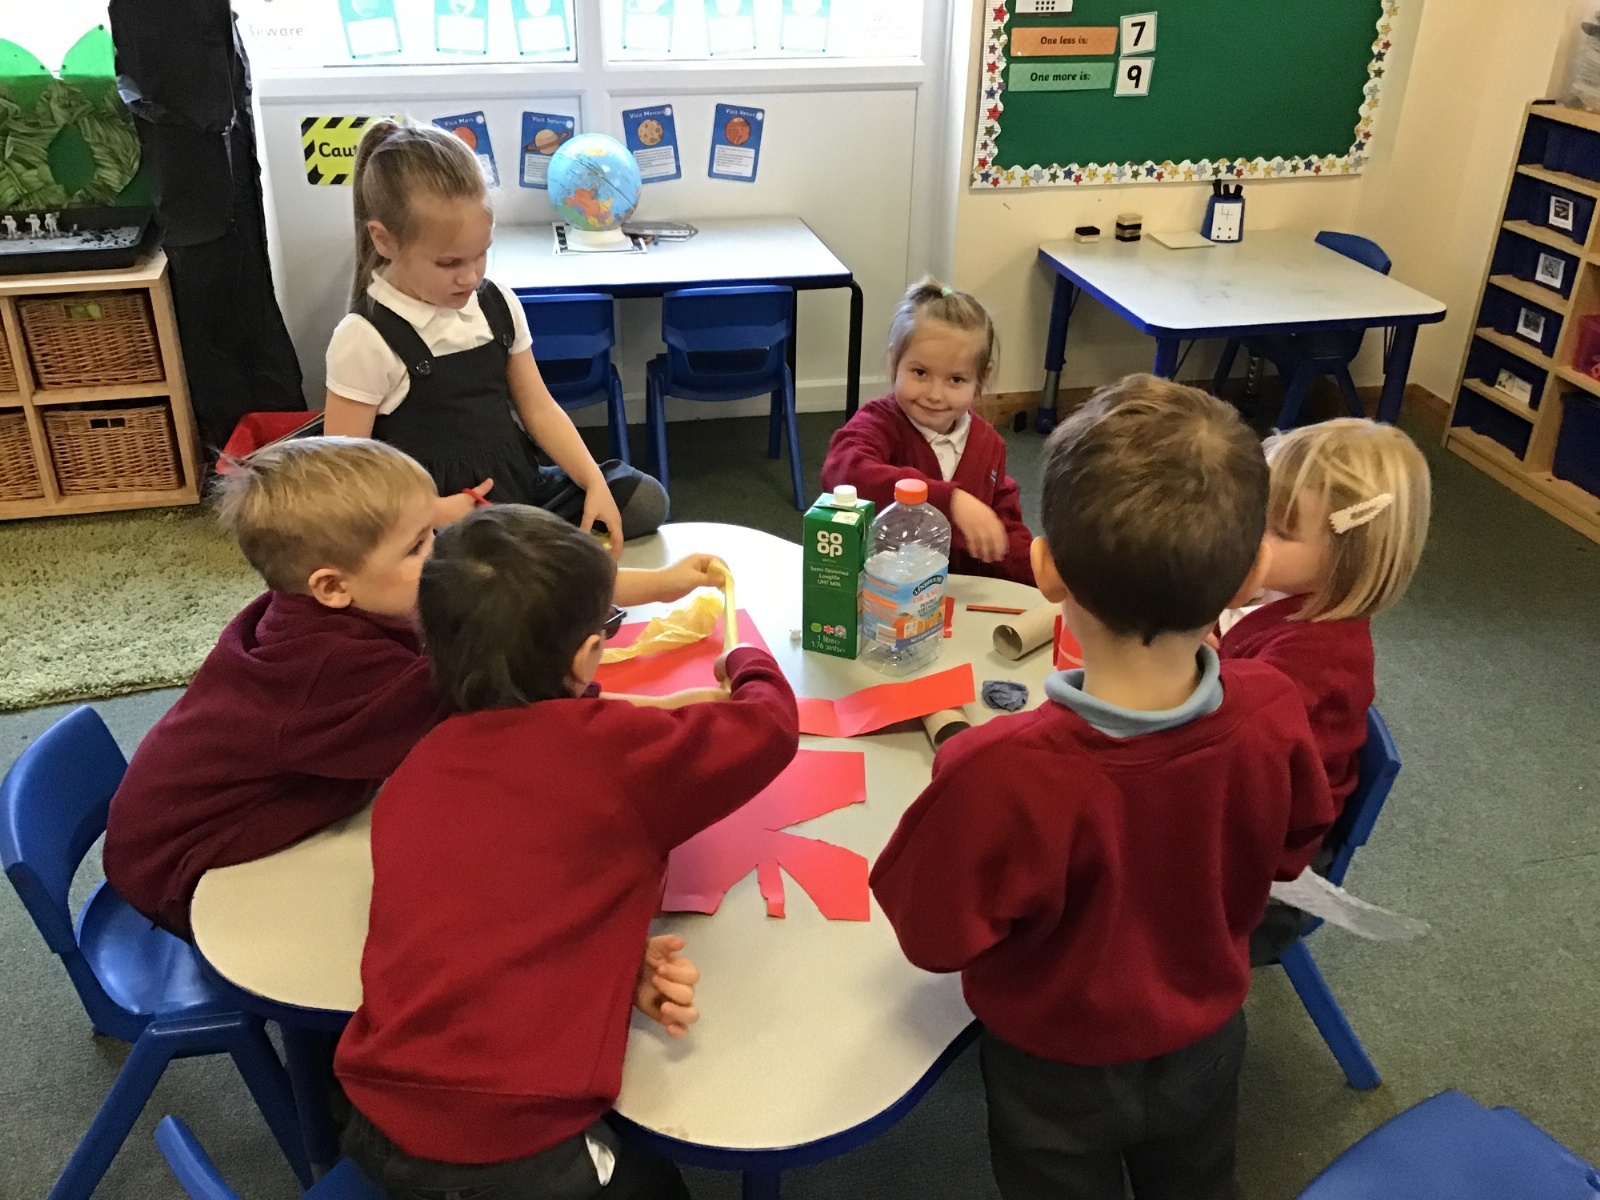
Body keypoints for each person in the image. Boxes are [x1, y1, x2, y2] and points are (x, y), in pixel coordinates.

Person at [870, 375, 1337, 1200]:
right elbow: (1293, 849)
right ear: (1250, 578)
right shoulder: (1273, 707)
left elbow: (932, 935)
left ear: (1045, 570)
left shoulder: (998, 771)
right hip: (1204, 1037)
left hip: (1052, 1065)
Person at [334, 504, 800, 1200]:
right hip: (516, 1147)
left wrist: (609, 956)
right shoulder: (609, 754)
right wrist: (749, 661)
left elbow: (485, 911)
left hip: (376, 1116)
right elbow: (768, 729)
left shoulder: (416, 769)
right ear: (586, 656)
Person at [103, 436, 720, 942]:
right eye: (419, 546)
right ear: (332, 586)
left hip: (208, 819)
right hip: (189, 867)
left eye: (433, 533)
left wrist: (655, 585)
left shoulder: (346, 604)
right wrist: (665, 713)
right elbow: (514, 725)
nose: (442, 557)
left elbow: (521, 591)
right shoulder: (341, 674)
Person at [322, 119, 667, 552]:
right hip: (438, 520)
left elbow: (538, 408)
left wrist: (592, 482)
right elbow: (345, 476)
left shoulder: (496, 303)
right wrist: (431, 511)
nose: (470, 277)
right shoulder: (364, 338)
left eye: (481, 254)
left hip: (521, 492)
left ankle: (528, 548)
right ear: (385, 241)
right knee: (459, 564)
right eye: (449, 263)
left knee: (643, 500)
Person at [1220, 417, 1431, 962]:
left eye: (1278, 531)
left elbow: (1233, 762)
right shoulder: (1288, 600)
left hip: (1262, 881)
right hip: (1248, 820)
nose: (1249, 537)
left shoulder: (1312, 659)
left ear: (1347, 558)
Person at [819, 277, 1034, 584]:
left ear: (981, 380)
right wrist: (949, 501)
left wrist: (1038, 570)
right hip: (886, 594)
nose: (935, 394)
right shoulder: (879, 422)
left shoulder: (990, 444)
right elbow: (844, 472)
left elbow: (1004, 530)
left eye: (956, 379)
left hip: (958, 595)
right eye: (920, 372)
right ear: (894, 363)